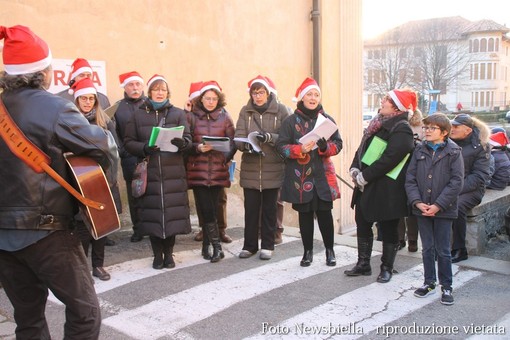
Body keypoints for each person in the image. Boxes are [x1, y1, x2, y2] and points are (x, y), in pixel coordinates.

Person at [0, 25, 118, 339]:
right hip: (47, 233)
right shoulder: (55, 107)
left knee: (28, 320)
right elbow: (101, 146)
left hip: (2, 237)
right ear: (44, 71)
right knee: (85, 313)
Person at [345, 89, 415, 283]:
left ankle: (387, 267)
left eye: (387, 99)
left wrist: (365, 176)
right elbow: (363, 149)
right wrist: (354, 168)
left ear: (396, 106)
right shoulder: (377, 123)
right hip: (366, 184)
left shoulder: (402, 128)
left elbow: (390, 158)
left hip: (386, 189)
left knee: (388, 227)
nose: (382, 101)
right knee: (362, 221)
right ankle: (363, 264)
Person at [124, 74, 192, 269]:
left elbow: (188, 139)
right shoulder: (137, 115)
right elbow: (128, 142)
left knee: (171, 215)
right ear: (150, 92)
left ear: (167, 92)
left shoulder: (178, 114)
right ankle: (157, 255)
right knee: (153, 215)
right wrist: (144, 148)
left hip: (173, 172)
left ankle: (169, 254)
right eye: (156, 89)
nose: (160, 92)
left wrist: (183, 143)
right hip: (150, 173)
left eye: (163, 89)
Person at [276, 77, 343, 267]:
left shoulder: (327, 120)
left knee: (325, 215)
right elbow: (281, 146)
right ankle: (307, 252)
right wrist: (300, 150)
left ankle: (330, 251)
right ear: (302, 98)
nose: (313, 98)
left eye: (316, 94)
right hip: (300, 176)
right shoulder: (290, 121)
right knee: (304, 216)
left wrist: (324, 147)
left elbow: (338, 145)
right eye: (309, 94)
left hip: (322, 176)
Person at [405, 112, 464, 305]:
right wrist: (417, 202)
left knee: (443, 249)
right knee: (427, 248)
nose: (427, 131)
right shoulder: (419, 150)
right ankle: (429, 281)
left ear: (444, 132)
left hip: (443, 209)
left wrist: (438, 205)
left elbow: (456, 182)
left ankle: (446, 285)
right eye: (426, 127)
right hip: (422, 208)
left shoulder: (453, 152)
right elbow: (410, 179)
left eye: (432, 128)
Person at [69, 77, 123, 281]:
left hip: (103, 177)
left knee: (102, 226)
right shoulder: (70, 121)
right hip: (79, 179)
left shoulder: (104, 121)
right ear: (77, 100)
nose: (87, 102)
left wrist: (111, 177)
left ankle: (98, 266)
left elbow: (114, 149)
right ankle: (82, 268)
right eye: (83, 98)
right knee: (82, 227)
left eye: (91, 98)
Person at [235, 75, 290, 260]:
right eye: (254, 92)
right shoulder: (245, 111)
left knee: (269, 210)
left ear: (268, 93)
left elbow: (287, 135)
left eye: (261, 92)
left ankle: (268, 245)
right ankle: (249, 246)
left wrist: (269, 138)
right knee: (251, 210)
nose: (258, 96)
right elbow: (239, 135)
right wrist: (246, 144)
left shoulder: (281, 110)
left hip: (272, 167)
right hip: (251, 167)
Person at [186, 80, 236, 262]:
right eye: (207, 98)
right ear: (201, 99)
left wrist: (225, 158)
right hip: (197, 170)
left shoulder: (225, 117)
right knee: (206, 209)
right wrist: (198, 148)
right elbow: (185, 142)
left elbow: (233, 141)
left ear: (218, 100)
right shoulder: (191, 117)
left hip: (217, 170)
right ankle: (217, 247)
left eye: (214, 99)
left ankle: (206, 246)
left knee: (213, 210)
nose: (210, 102)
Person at [449, 113, 491, 263]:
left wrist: (455, 189)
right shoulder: (447, 142)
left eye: (456, 127)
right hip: (449, 186)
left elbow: (479, 176)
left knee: (456, 205)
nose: (451, 129)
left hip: (471, 190)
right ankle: (438, 246)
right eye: (451, 126)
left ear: (468, 130)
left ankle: (460, 249)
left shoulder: (481, 146)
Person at [113, 71, 147, 243]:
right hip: (130, 159)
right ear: (124, 87)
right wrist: (124, 151)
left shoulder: (150, 104)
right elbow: (115, 133)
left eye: (138, 84)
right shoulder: (118, 108)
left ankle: (151, 227)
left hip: (150, 156)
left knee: (151, 193)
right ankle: (138, 229)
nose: (135, 88)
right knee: (134, 195)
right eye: (131, 85)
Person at [398, 108, 424, 253]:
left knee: (407, 207)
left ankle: (404, 239)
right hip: (408, 168)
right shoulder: (401, 127)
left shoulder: (420, 127)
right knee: (406, 207)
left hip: (409, 168)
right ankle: (410, 240)